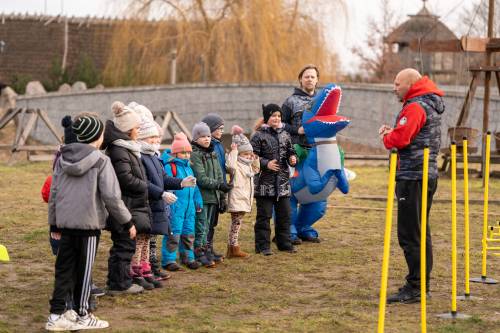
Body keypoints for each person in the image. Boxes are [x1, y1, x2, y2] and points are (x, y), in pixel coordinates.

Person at [46, 114, 133, 331]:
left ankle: (57, 315)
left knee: (64, 269)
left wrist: (54, 224)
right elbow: (112, 197)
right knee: (84, 271)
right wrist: (127, 221)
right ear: (97, 136)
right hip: (88, 226)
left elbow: (54, 193)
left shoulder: (62, 158)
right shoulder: (102, 161)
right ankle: (83, 314)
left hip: (66, 225)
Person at [379, 68, 445, 304]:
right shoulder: (428, 103)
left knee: (409, 234)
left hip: (413, 176)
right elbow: (410, 133)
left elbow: (400, 139)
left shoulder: (416, 106)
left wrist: (388, 137)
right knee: (420, 230)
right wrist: (395, 131)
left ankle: (416, 287)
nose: (394, 87)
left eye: (397, 83)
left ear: (410, 84)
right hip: (425, 174)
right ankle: (420, 283)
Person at [102, 101, 148, 295]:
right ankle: (120, 284)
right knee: (124, 246)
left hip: (129, 204)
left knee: (123, 245)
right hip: (124, 206)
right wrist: (145, 186)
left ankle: (118, 280)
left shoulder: (126, 148)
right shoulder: (119, 150)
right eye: (136, 127)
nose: (138, 130)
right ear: (128, 129)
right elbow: (125, 179)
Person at [250, 104, 298, 255]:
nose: (276, 118)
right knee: (264, 217)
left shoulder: (285, 134)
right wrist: (266, 163)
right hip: (265, 184)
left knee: (284, 216)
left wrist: (292, 158)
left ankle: (284, 243)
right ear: (267, 118)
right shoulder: (258, 136)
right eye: (273, 116)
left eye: (278, 116)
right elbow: (252, 157)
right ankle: (262, 247)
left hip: (283, 183)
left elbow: (291, 151)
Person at [190, 122, 232, 267]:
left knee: (208, 227)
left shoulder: (213, 153)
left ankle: (207, 249)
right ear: (196, 139)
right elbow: (201, 178)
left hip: (213, 196)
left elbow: (220, 174)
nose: (207, 139)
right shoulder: (195, 155)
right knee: (201, 225)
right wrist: (218, 185)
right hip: (202, 197)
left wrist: (222, 194)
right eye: (202, 136)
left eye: (208, 136)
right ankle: (198, 251)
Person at [161, 132, 203, 270]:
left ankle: (188, 257)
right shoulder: (170, 167)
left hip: (189, 208)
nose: (186, 155)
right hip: (176, 207)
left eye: (188, 153)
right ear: (176, 153)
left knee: (188, 233)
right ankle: (169, 260)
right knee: (174, 233)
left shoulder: (189, 168)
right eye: (183, 152)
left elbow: (195, 187)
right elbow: (166, 184)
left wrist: (198, 201)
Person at [225, 125, 260, 258]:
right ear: (239, 154)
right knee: (236, 223)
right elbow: (230, 166)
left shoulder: (248, 165)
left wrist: (255, 158)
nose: (248, 156)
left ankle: (232, 247)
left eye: (249, 154)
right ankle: (233, 247)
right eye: (245, 154)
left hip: (244, 198)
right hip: (237, 198)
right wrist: (233, 152)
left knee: (237, 224)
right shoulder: (236, 164)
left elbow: (256, 170)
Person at [200, 113, 227, 262]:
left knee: (213, 222)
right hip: (209, 189)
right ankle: (203, 249)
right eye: (219, 128)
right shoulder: (209, 147)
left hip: (218, 189)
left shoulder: (219, 145)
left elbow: (220, 168)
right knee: (205, 222)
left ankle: (209, 247)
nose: (222, 131)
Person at [281, 64, 319, 147]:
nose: (310, 79)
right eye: (307, 77)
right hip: (296, 151)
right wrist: (297, 130)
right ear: (300, 79)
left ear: (317, 80)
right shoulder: (290, 101)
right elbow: (280, 124)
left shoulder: (322, 101)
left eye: (312, 77)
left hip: (318, 148)